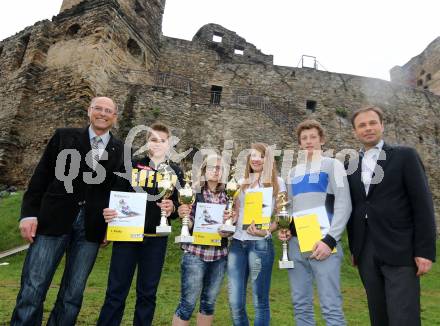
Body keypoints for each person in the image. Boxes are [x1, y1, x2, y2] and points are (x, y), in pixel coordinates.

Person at [11, 97, 123, 326]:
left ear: (115, 117)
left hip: (92, 228)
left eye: (108, 111)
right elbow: (41, 176)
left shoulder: (121, 150)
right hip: (53, 219)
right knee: (33, 286)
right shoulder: (64, 136)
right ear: (89, 111)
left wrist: (111, 227)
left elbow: (118, 192)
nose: (102, 113)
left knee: (73, 294)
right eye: (98, 109)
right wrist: (29, 214)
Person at [346, 105, 437, 326]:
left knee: (403, 316)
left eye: (372, 123)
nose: (368, 128)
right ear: (355, 131)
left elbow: (422, 204)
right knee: (378, 316)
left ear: (382, 125)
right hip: (366, 250)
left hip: (400, 248)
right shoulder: (350, 164)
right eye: (362, 125)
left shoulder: (405, 155)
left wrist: (425, 251)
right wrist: (355, 248)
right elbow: (353, 208)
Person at [97, 122, 183, 326]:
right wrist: (109, 213)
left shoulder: (176, 171)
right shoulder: (132, 164)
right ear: (147, 142)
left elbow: (180, 204)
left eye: (162, 141)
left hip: (155, 240)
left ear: (169, 144)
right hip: (126, 236)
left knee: (147, 294)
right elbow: (115, 195)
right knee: (116, 292)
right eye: (153, 139)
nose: (158, 144)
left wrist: (173, 207)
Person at [278, 119, 352, 326]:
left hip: (324, 245)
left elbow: (344, 204)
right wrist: (287, 230)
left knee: (330, 306)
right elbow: (291, 208)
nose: (309, 141)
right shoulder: (293, 173)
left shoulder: (333, 165)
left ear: (322, 139)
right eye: (304, 138)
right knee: (300, 305)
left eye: (313, 137)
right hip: (296, 245)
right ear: (300, 143)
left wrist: (329, 240)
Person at [172, 154, 234, 326]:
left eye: (220, 168)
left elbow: (228, 228)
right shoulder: (193, 192)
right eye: (212, 167)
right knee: (187, 304)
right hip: (195, 254)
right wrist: (185, 218)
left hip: (219, 256)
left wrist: (228, 229)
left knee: (208, 304)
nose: (216, 171)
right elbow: (190, 222)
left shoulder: (229, 195)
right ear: (204, 170)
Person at [228, 143, 285, 326]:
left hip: (260, 245)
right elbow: (236, 211)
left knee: (260, 301)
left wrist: (266, 230)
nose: (256, 159)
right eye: (253, 155)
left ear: (268, 160)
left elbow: (282, 216)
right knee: (235, 302)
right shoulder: (240, 182)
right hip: (237, 244)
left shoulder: (278, 182)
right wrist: (233, 217)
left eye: (261, 156)